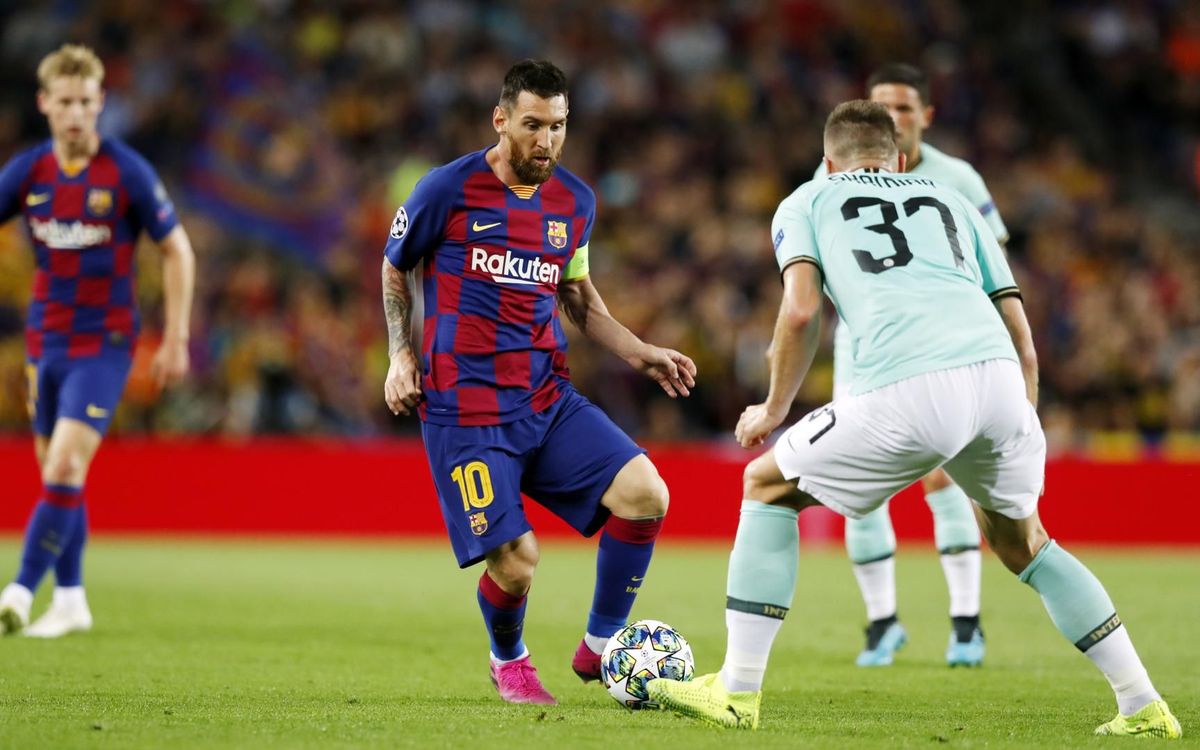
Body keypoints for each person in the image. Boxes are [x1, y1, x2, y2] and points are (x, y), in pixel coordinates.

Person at [648, 100, 1181, 739]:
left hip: (911, 384)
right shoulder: (952, 199)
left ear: (828, 162)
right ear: (899, 159)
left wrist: (775, 408)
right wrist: (1022, 413)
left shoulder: (808, 199)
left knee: (765, 485)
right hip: (999, 380)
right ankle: (1143, 704)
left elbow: (800, 310)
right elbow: (1019, 326)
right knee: (1027, 544)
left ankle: (736, 692)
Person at [381, 59, 696, 706]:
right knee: (519, 563)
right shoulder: (446, 189)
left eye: (558, 126)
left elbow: (577, 296)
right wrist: (399, 355)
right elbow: (393, 268)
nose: (546, 140)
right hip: (466, 411)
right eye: (533, 125)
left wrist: (639, 351)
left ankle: (601, 646)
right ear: (501, 120)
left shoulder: (574, 202)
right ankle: (509, 660)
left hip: (546, 399)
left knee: (646, 493)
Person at [813, 63, 1009, 668]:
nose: (891, 117)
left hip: (942, 346)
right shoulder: (830, 174)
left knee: (945, 476)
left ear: (926, 115)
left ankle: (966, 623)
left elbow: (992, 260)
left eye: (902, 107)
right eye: (881, 106)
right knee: (859, 482)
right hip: (862, 345)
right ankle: (882, 623)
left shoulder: (958, 178)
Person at [0, 44, 195, 637]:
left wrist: (176, 337)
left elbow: (178, 250)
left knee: (64, 462)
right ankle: (71, 599)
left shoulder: (126, 172)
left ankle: (18, 593)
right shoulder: (28, 172)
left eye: (86, 102)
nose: (77, 114)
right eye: (66, 102)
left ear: (101, 101)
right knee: (59, 476)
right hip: (45, 342)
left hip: (104, 344)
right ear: (44, 104)